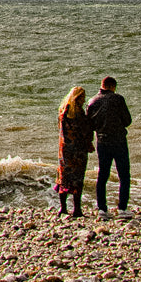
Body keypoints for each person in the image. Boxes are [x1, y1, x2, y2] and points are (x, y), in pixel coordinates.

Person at [87, 75, 132, 213]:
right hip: (118, 141)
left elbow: (89, 124)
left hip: (102, 141)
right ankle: (122, 208)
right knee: (124, 175)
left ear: (102, 85)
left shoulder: (92, 101)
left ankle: (102, 209)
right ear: (113, 87)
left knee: (103, 175)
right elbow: (127, 121)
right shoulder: (118, 99)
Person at [54, 85, 91, 217]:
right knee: (77, 178)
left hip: (64, 150)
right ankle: (77, 209)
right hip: (78, 150)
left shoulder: (63, 111)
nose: (84, 100)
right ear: (78, 98)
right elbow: (84, 131)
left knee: (64, 178)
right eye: (82, 98)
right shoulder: (79, 113)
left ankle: (63, 208)